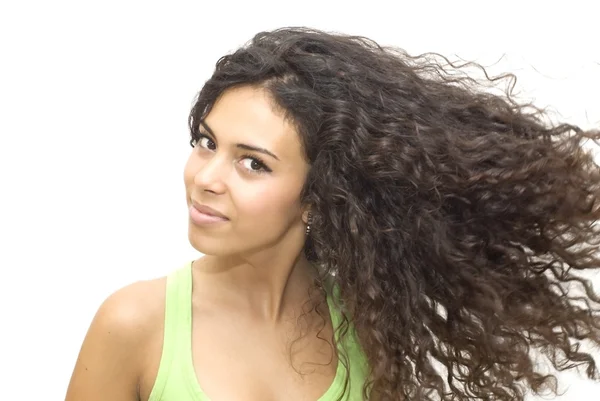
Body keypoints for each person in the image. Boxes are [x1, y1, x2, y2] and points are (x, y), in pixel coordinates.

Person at [64, 27, 600, 401]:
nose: (205, 177)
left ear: (320, 196)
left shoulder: (366, 327)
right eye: (206, 142)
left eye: (253, 163)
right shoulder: (136, 325)